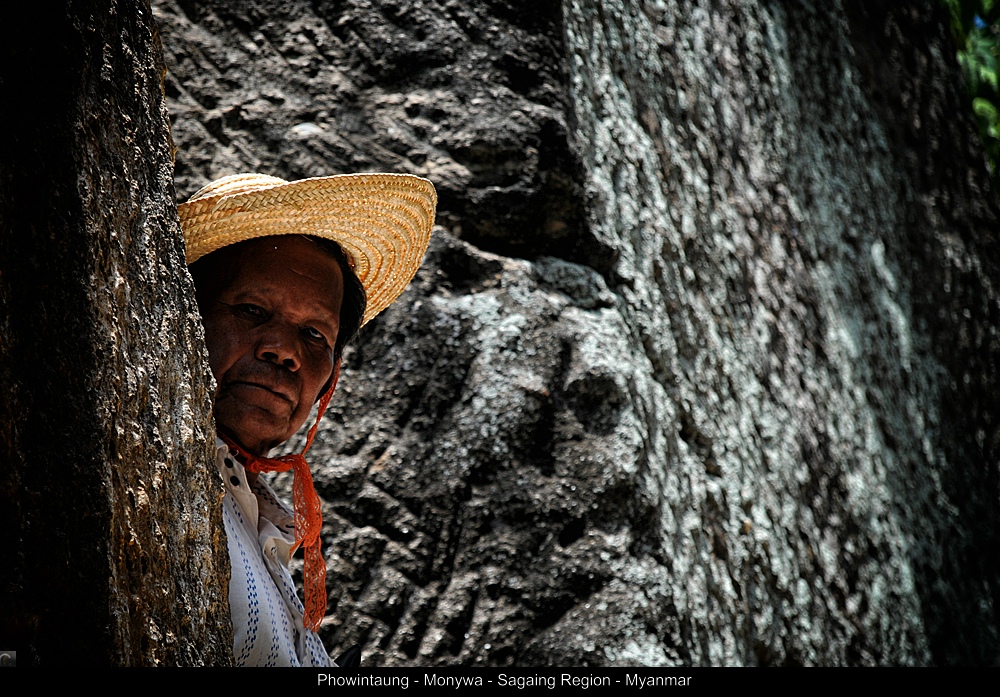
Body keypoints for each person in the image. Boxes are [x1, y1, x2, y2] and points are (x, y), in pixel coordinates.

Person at [178, 172, 436, 666]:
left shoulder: (261, 521)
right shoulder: (149, 474)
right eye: (253, 309)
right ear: (183, 309)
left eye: (316, 335)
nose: (285, 351)